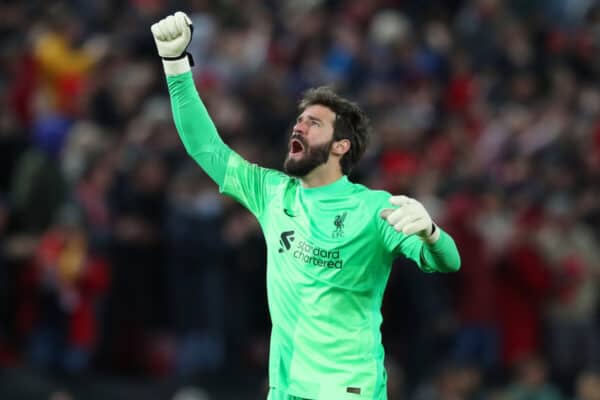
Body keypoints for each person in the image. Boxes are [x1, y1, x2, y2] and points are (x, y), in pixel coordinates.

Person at [151, 11, 461, 400]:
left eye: (314, 123)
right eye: (299, 120)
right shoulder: (270, 192)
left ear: (340, 146)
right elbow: (205, 146)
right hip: (286, 389)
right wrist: (175, 65)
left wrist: (432, 234)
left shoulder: (374, 209)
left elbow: (448, 261)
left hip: (349, 390)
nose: (298, 127)